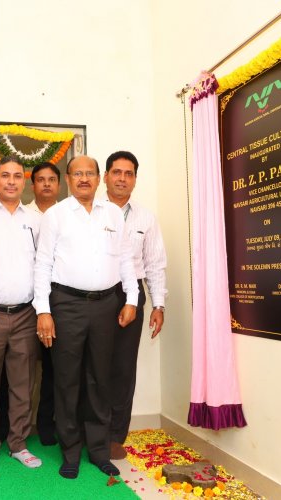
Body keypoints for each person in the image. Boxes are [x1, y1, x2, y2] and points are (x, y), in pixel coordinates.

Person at [33, 155, 138, 479]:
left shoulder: (113, 214)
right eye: (77, 173)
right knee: (67, 379)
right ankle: (70, 453)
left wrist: (132, 299)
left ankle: (98, 450)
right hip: (67, 304)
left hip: (107, 304)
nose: (83, 179)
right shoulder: (56, 215)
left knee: (99, 379)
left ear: (98, 178)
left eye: (89, 173)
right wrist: (44, 311)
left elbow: (125, 260)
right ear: (68, 178)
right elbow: (43, 265)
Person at [0, 156, 43, 472]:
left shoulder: (36, 219)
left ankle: (18, 443)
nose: (11, 181)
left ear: (24, 181)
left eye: (18, 176)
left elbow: (44, 266)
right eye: (5, 176)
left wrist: (42, 309)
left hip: (26, 314)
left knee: (22, 383)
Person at [103, 151, 167, 459]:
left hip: (133, 296)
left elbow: (155, 263)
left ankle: (116, 435)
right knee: (93, 365)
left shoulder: (145, 218)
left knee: (123, 367)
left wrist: (159, 304)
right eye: (117, 172)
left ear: (135, 180)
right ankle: (91, 431)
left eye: (129, 173)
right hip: (96, 294)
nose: (122, 178)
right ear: (106, 177)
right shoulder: (92, 212)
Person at [24, 161, 62, 445]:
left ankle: (49, 428)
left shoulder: (69, 214)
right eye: (41, 179)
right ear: (32, 184)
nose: (47, 184)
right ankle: (12, 431)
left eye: (52, 179)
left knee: (55, 367)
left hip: (59, 303)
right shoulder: (22, 214)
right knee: (19, 369)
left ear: (59, 184)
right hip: (24, 302)